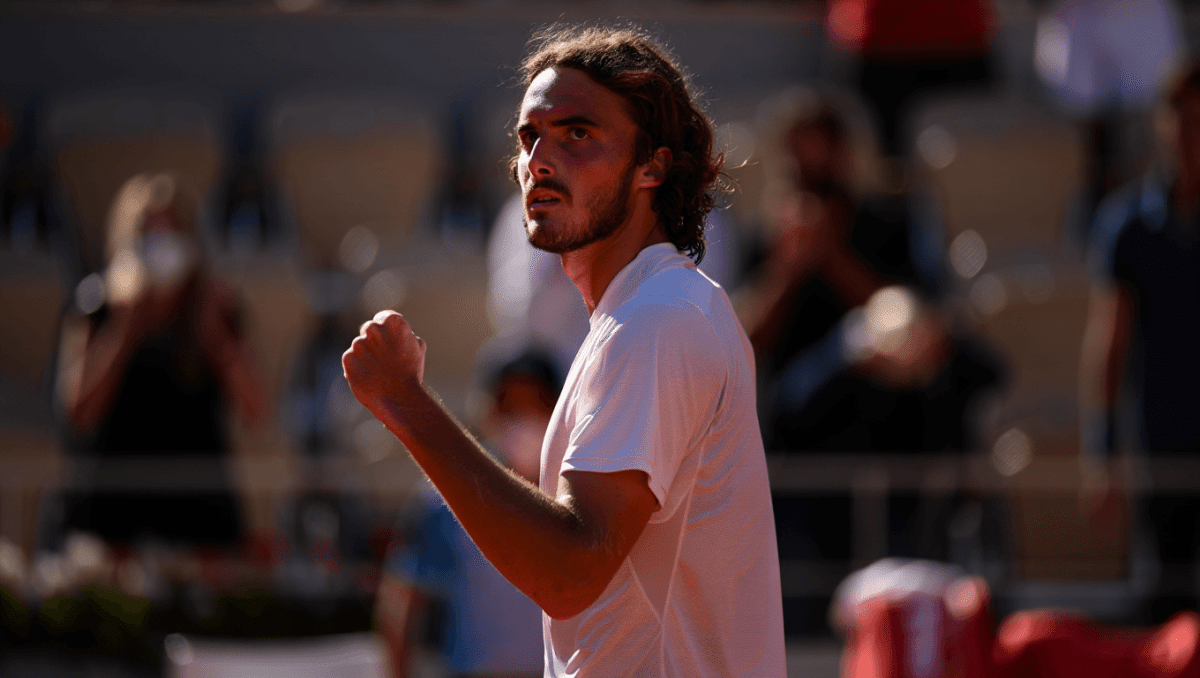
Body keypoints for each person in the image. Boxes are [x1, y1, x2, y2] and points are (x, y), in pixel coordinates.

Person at [343, 24, 786, 676]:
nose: (539, 158)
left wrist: (406, 404)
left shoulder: (655, 321)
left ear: (652, 165)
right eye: (530, 136)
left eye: (577, 133)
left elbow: (571, 571)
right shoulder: (651, 312)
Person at [57, 173, 266, 548]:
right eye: (148, 235)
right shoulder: (98, 308)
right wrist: (124, 332)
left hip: (201, 511)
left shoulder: (218, 308)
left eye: (172, 232)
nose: (162, 247)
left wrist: (216, 339)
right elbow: (78, 412)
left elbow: (255, 410)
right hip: (113, 509)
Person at [1080, 62, 1200, 623]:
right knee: (1169, 616)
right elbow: (1110, 343)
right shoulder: (1129, 225)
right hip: (1166, 453)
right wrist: (1102, 454)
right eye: (1181, 116)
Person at [376, 352, 555, 678]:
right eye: (509, 405)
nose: (524, 418)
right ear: (489, 411)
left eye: (537, 404)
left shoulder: (582, 491)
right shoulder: (447, 493)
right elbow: (403, 597)